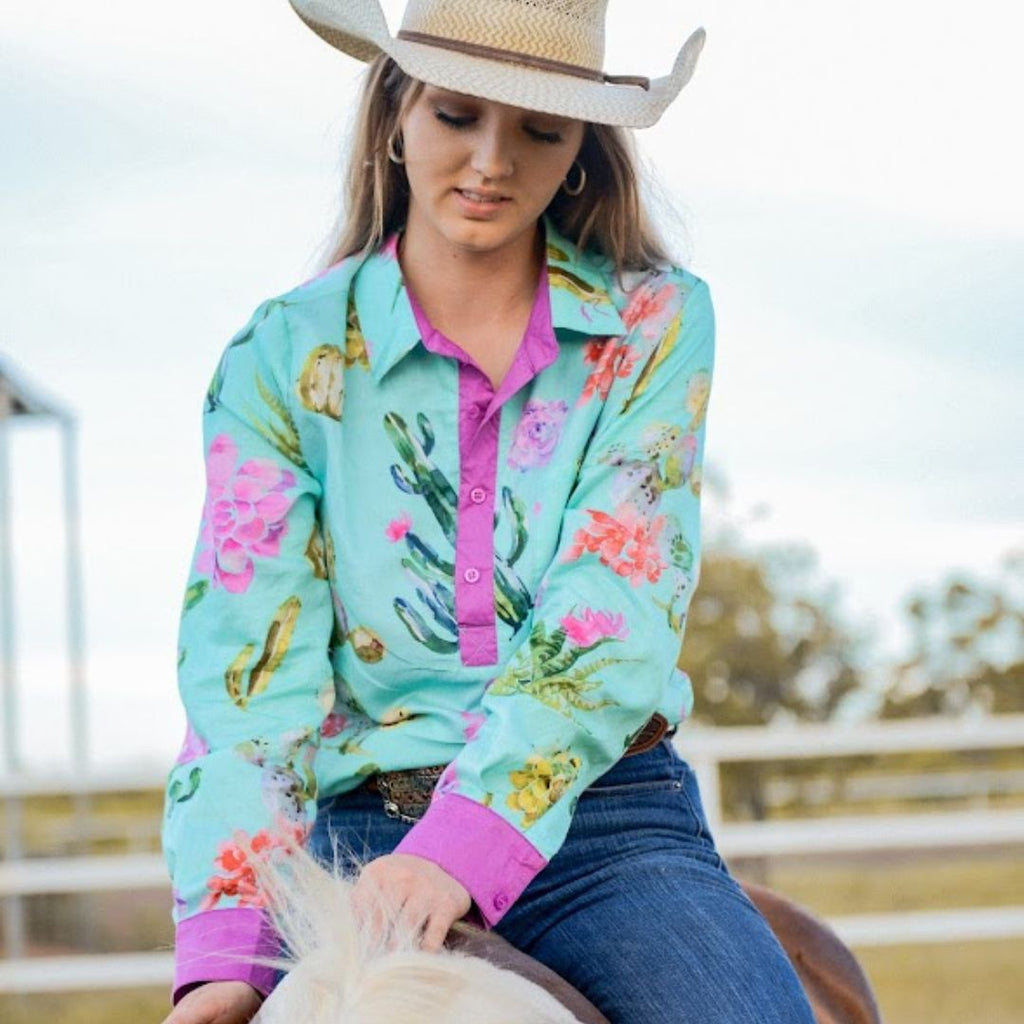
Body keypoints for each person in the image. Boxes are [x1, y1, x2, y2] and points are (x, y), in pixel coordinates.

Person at [161, 2, 817, 1022]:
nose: (490, 161)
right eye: (457, 115)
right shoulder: (282, 355)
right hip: (355, 840)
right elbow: (250, 664)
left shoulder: (651, 326)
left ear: (582, 156)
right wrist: (227, 942)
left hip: (606, 828)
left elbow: (612, 605)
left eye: (540, 131)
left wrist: (462, 846)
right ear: (395, 114)